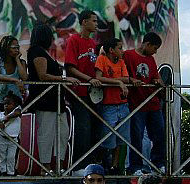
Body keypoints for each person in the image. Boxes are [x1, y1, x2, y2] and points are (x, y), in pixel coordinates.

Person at [26, 22, 78, 170]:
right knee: (46, 133)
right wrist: (64, 79)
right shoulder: (36, 51)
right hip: (45, 100)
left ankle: (59, 164)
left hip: (57, 100)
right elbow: (42, 75)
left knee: (63, 133)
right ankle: (45, 166)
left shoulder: (43, 52)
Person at [123, 32, 165, 175]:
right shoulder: (128, 55)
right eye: (154, 48)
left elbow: (157, 78)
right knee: (136, 136)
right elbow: (122, 74)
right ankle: (135, 166)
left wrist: (157, 82)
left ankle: (158, 164)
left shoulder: (151, 59)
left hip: (153, 103)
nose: (155, 51)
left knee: (159, 134)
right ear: (147, 44)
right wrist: (130, 80)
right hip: (136, 104)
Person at [63, 10, 102, 167]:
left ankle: (93, 164)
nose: (96, 24)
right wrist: (89, 80)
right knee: (82, 129)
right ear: (84, 22)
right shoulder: (74, 40)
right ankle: (79, 165)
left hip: (94, 94)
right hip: (79, 93)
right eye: (93, 21)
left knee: (95, 129)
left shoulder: (93, 44)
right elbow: (71, 68)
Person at [95, 38, 132, 174]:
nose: (122, 51)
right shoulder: (102, 59)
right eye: (120, 48)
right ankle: (104, 162)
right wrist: (119, 82)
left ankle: (115, 166)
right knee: (107, 137)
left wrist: (116, 81)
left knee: (121, 138)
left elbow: (126, 78)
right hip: (108, 104)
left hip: (122, 104)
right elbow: (99, 77)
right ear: (111, 50)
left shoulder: (121, 62)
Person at [0, 35, 27, 115]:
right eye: (13, 48)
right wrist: (15, 80)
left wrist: (17, 60)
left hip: (15, 102)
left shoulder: (21, 62)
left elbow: (24, 77)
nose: (16, 50)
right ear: (6, 48)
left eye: (17, 47)